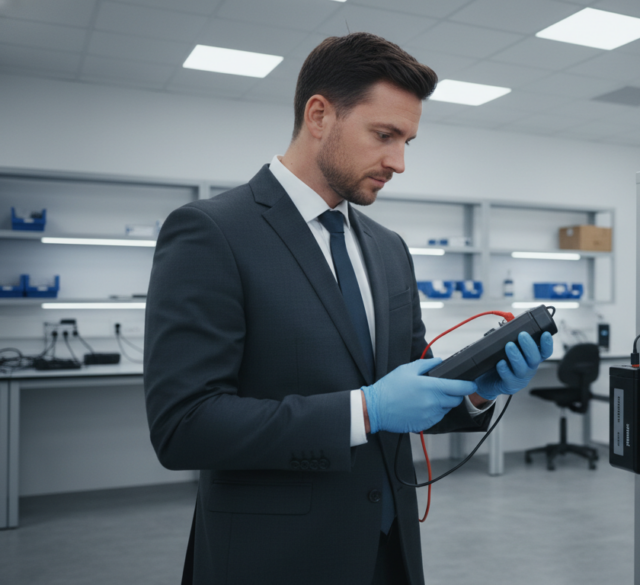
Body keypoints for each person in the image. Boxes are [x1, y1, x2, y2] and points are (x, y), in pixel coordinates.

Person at [143, 33, 553, 585]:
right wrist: (367, 411)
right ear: (319, 115)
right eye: (384, 135)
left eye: (408, 141)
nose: (399, 162)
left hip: (388, 549)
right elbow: (184, 427)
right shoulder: (212, 232)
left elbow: (411, 384)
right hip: (274, 559)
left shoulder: (387, 247)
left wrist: (479, 387)